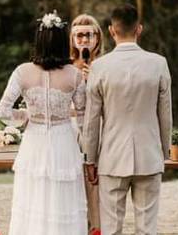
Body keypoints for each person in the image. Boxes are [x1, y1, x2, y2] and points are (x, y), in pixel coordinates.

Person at [82, 4, 172, 235]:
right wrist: (164, 153)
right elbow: (165, 115)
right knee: (147, 228)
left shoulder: (99, 67)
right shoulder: (158, 63)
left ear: (111, 31)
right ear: (139, 29)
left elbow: (91, 121)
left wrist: (90, 159)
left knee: (111, 228)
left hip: (111, 157)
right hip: (149, 155)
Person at [0, 11, 87, 235]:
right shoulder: (74, 75)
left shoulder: (22, 72)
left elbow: (2, 111)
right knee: (62, 200)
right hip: (64, 142)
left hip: (34, 143)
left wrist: (25, 116)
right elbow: (86, 118)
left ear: (39, 41)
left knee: (33, 198)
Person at [70, 14, 104, 233]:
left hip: (100, 132)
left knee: (96, 189)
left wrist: (94, 79)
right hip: (72, 133)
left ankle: (98, 228)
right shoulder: (64, 67)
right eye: (78, 35)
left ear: (97, 37)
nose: (83, 40)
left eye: (88, 34)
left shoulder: (106, 65)